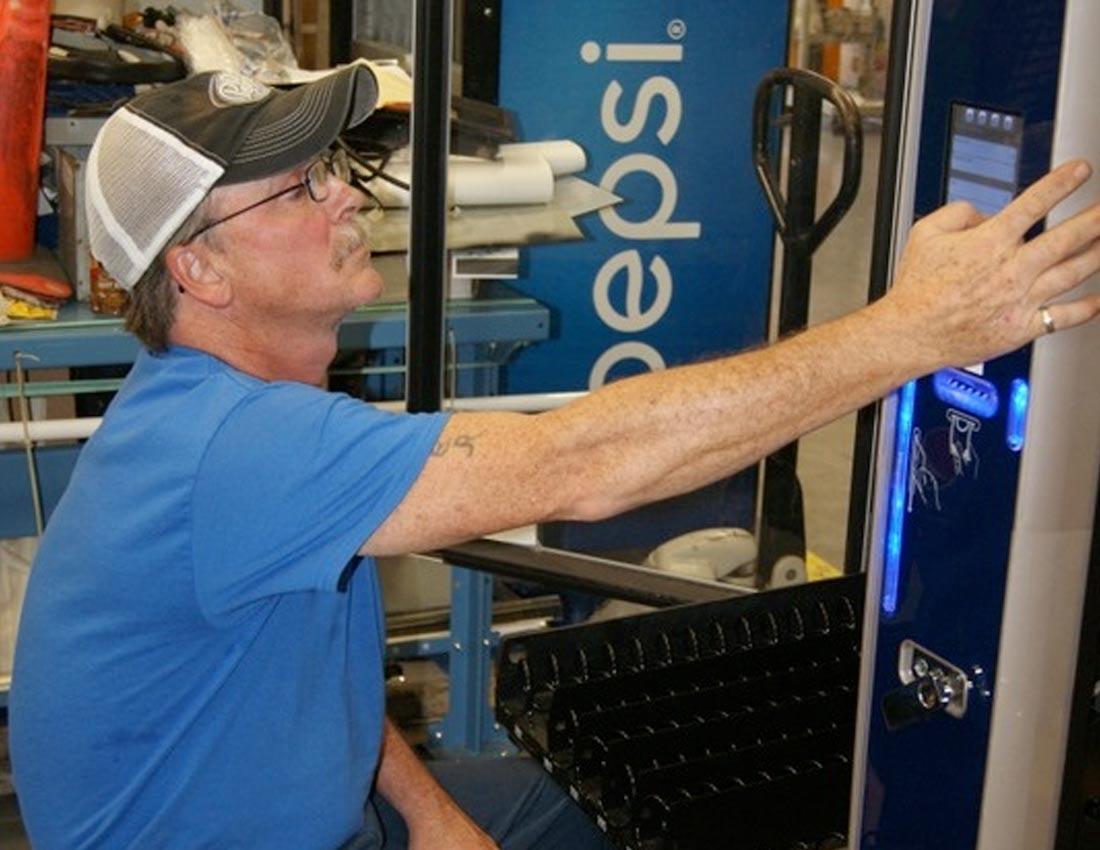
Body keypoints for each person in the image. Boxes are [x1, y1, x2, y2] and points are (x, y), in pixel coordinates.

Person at [8, 62, 1100, 850]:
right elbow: (589, 462)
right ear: (198, 271)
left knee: (586, 801)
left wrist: (432, 814)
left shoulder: (237, 417)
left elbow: (300, 683)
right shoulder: (228, 448)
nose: (342, 190)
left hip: (330, 815)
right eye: (296, 187)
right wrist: (918, 329)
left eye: (327, 163)